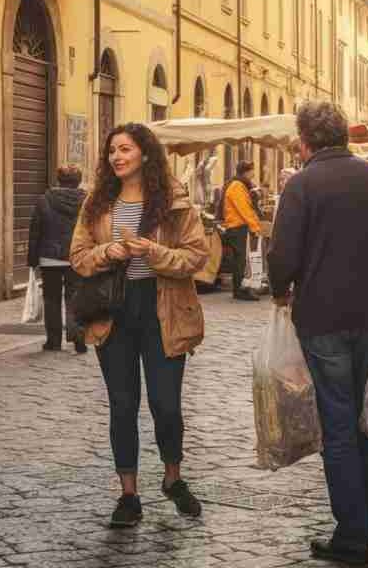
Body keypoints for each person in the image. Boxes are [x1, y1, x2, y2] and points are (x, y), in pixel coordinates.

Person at [267, 100, 368, 565]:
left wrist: (279, 289)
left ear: (305, 140)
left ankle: (351, 534)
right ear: (345, 136)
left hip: (322, 319)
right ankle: (363, 516)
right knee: (361, 415)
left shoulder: (301, 186)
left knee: (338, 420)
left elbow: (282, 258)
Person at [70, 123, 209, 528]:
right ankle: (128, 494)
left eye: (125, 149)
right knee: (123, 404)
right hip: (113, 311)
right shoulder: (96, 203)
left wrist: (153, 252)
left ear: (145, 154)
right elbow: (78, 256)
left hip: (162, 308)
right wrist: (108, 251)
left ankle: (173, 479)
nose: (116, 156)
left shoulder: (173, 200)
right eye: (112, 150)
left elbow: (195, 256)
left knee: (166, 403)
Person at [28, 164, 88, 353]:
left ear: (59, 180)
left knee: (51, 299)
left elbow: (35, 230)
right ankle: (78, 339)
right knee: (75, 298)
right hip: (76, 256)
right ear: (78, 181)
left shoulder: (44, 200)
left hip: (49, 257)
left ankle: (53, 341)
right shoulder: (86, 200)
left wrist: (32, 259)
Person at [221, 160, 262, 301]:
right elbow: (244, 209)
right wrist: (255, 227)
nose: (254, 174)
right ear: (247, 171)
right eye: (252, 170)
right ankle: (240, 290)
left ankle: (241, 288)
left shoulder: (239, 185)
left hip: (237, 226)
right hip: (237, 227)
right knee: (241, 260)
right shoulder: (237, 186)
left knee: (241, 260)